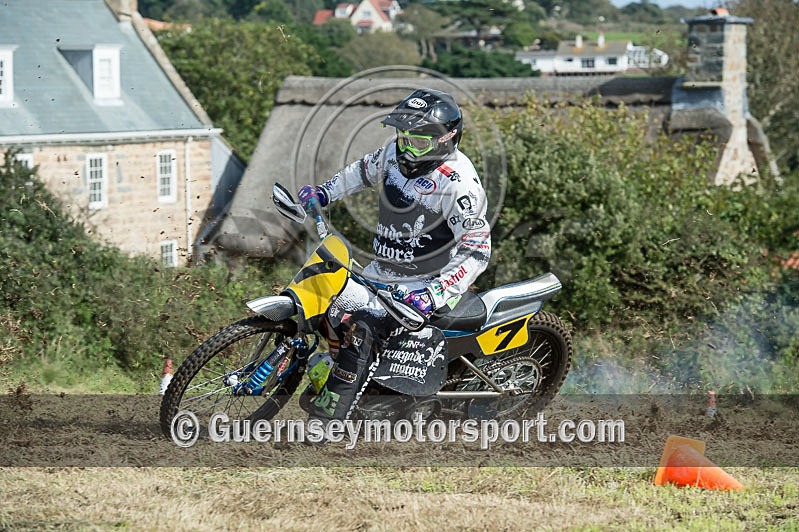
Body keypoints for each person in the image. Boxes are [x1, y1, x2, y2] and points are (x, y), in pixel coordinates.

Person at [297, 88, 492, 422]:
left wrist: (435, 293)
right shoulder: (392, 154)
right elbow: (361, 171)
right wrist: (325, 193)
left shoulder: (460, 186)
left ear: (446, 139)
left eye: (417, 142)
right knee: (326, 303)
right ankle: (362, 388)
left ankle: (329, 424)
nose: (406, 149)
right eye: (403, 138)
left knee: (362, 332)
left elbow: (476, 251)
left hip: (425, 287)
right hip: (381, 271)